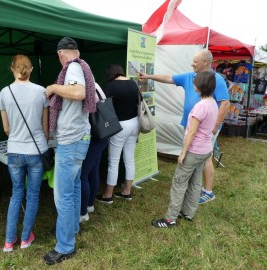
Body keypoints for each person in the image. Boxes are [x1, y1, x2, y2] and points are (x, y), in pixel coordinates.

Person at [139, 49, 230, 204]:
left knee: (205, 158)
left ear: (206, 62)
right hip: (190, 125)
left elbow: (225, 103)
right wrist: (148, 76)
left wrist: (215, 126)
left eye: (195, 61)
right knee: (194, 155)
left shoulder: (217, 79)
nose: (192, 63)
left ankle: (208, 192)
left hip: (206, 127)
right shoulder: (189, 76)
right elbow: (168, 78)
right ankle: (195, 187)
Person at [42, 37, 96, 265]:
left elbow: (79, 93)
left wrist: (53, 87)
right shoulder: (83, 65)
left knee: (62, 195)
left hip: (71, 140)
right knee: (73, 188)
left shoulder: (72, 67)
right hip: (80, 137)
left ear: (61, 54)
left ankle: (64, 246)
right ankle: (72, 229)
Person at [151, 71, 219, 228]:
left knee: (179, 182)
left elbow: (192, 132)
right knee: (195, 181)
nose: (193, 84)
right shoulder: (213, 103)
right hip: (205, 150)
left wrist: (182, 153)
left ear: (200, 86)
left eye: (195, 82)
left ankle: (170, 219)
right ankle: (189, 212)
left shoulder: (200, 107)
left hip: (194, 151)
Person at [0, 54, 49, 252]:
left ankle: (9, 242)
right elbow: (45, 129)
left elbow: (6, 129)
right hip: (36, 150)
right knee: (33, 195)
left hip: (15, 151)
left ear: (12, 69)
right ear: (31, 69)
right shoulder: (41, 92)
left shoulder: (4, 93)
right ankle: (26, 238)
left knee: (16, 194)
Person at [96, 64, 139, 204]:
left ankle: (108, 195)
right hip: (135, 123)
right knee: (129, 158)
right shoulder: (133, 83)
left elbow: (103, 105)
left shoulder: (111, 86)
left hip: (119, 126)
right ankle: (127, 191)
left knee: (113, 161)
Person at [80, 83, 109, 223]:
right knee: (93, 170)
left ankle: (83, 212)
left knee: (82, 174)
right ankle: (90, 204)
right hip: (103, 133)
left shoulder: (86, 88)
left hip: (96, 134)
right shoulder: (96, 85)